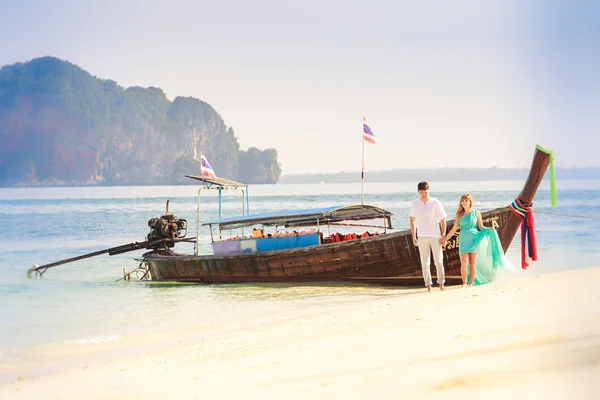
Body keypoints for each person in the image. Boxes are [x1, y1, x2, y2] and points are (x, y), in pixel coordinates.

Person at [443, 193, 516, 287]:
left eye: (466, 201)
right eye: (462, 201)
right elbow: (454, 229)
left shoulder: (476, 212)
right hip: (464, 240)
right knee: (464, 263)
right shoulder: (459, 214)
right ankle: (464, 283)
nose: (464, 202)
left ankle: (470, 283)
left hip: (474, 239)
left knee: (473, 263)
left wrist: (489, 229)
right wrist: (445, 238)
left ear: (470, 202)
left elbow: (480, 226)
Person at [410, 182, 448, 291]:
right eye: (421, 192)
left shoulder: (435, 202)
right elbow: (412, 220)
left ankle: (441, 284)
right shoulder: (415, 203)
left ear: (429, 190)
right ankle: (428, 286)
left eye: (425, 192)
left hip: (435, 236)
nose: (423, 195)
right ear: (418, 192)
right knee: (425, 262)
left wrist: (443, 235)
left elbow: (442, 219)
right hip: (422, 236)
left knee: (439, 261)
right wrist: (414, 236)